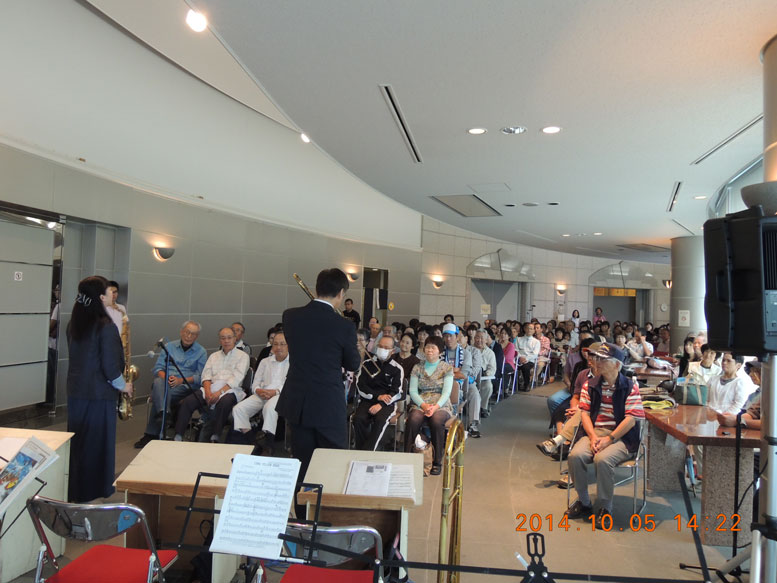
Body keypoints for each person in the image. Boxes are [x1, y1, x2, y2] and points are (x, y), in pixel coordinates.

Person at [276, 268, 361, 479]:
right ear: (341, 293)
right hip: (327, 403)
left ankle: (301, 499)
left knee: (302, 461)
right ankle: (326, 499)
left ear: (316, 289)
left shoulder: (290, 316)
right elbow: (353, 364)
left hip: (298, 401)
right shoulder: (344, 326)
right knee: (332, 461)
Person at [66, 275, 132, 502]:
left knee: (79, 443)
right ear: (101, 297)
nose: (112, 294)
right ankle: (94, 490)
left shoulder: (74, 324)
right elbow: (110, 367)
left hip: (76, 393)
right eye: (108, 291)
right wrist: (124, 386)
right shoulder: (106, 327)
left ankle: (76, 489)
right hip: (99, 395)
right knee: (97, 444)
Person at [564, 342, 644, 527]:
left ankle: (605, 507)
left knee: (603, 459)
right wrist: (593, 437)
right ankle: (584, 501)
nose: (596, 362)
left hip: (622, 437)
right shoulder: (590, 385)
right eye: (596, 358)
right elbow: (584, 413)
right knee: (575, 456)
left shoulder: (630, 387)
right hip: (595, 433)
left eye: (602, 359)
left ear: (616, 364)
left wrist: (609, 439)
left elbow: (631, 419)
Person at [134, 321, 208, 448]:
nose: (189, 336)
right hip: (166, 383)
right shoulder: (169, 346)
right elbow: (158, 368)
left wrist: (180, 380)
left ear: (197, 336)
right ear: (181, 332)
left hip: (185, 386)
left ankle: (152, 433)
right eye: (187, 332)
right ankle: (165, 413)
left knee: (160, 395)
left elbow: (200, 376)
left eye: (193, 334)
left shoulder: (201, 352)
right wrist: (167, 378)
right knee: (159, 383)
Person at [173, 327, 250, 442]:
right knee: (189, 401)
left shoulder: (243, 356)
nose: (226, 341)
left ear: (235, 339)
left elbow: (236, 379)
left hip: (230, 389)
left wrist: (218, 393)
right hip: (211, 387)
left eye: (229, 338)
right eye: (223, 338)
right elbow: (206, 376)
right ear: (220, 340)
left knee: (224, 402)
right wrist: (208, 392)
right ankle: (178, 435)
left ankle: (216, 435)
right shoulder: (214, 356)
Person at [230, 331, 289, 455]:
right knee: (238, 409)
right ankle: (252, 442)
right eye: (276, 344)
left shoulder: (293, 363)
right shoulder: (265, 362)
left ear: (288, 345)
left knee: (269, 408)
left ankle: (269, 445)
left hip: (282, 395)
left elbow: (290, 384)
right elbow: (255, 382)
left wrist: (275, 392)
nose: (278, 347)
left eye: (282, 344)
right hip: (262, 394)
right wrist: (258, 390)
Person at [404, 336, 454, 475]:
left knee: (437, 420)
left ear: (440, 351)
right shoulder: (417, 367)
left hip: (441, 403)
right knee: (413, 419)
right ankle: (407, 456)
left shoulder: (447, 368)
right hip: (421, 401)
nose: (429, 350)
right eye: (427, 347)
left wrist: (435, 407)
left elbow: (447, 392)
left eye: (433, 347)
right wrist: (424, 405)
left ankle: (437, 461)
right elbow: (413, 391)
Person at [353, 335, 404, 450]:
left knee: (380, 420)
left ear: (392, 351)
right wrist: (377, 396)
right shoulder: (367, 364)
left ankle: (369, 451)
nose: (382, 349)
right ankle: (361, 450)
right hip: (367, 400)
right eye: (380, 346)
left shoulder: (397, 368)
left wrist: (381, 404)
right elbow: (360, 386)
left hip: (387, 404)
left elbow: (397, 392)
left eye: (386, 348)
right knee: (358, 419)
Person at [442, 323, 480, 437]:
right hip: (443, 383)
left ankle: (473, 424)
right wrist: (454, 370)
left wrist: (447, 371)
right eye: (446, 336)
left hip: (464, 383)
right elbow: (437, 373)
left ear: (457, 336)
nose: (448, 339)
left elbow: (463, 375)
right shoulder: (440, 352)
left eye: (451, 336)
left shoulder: (466, 353)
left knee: (474, 393)